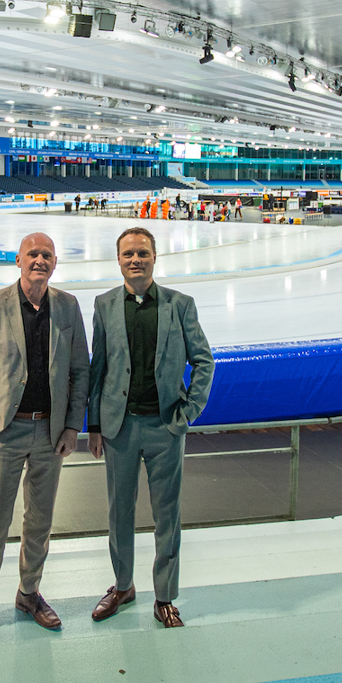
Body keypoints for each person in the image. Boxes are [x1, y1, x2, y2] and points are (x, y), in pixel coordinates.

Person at [0, 232, 90, 648]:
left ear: (55, 263)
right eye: (33, 253)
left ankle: (29, 593)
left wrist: (72, 426)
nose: (39, 260)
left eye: (47, 254)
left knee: (40, 521)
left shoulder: (67, 306)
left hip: (51, 432)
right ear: (18, 260)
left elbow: (80, 370)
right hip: (6, 431)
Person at [86, 227, 215, 629]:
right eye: (128, 254)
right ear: (118, 260)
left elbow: (204, 360)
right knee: (119, 513)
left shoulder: (180, 305)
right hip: (119, 428)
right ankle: (123, 586)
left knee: (167, 516)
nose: (135, 260)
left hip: (165, 426)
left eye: (142, 253)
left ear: (155, 257)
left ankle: (164, 596)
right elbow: (98, 368)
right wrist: (94, 425)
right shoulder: (104, 305)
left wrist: (189, 411)